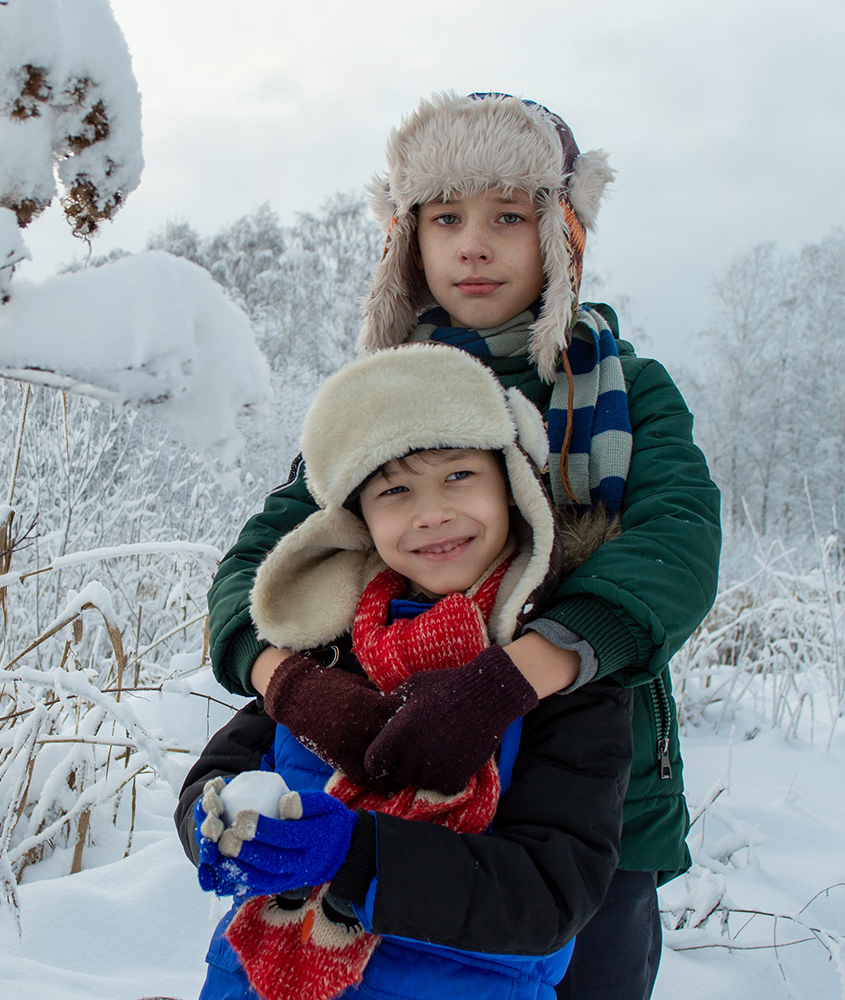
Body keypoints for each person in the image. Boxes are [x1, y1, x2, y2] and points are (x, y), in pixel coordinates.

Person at [203, 92, 722, 999]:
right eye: (446, 217)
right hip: (379, 789)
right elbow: (260, 569)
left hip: (594, 800)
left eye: (508, 217)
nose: (473, 245)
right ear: (410, 237)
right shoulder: (379, 405)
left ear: (561, 233)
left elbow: (677, 547)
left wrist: (511, 680)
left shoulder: (627, 391)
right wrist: (291, 683)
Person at [176, 344, 633, 1000]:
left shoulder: (558, 675)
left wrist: (357, 855)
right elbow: (215, 777)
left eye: (458, 476)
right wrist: (217, 828)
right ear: (360, 517)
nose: (431, 513)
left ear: (513, 484)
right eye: (395, 490)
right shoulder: (327, 644)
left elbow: (550, 895)